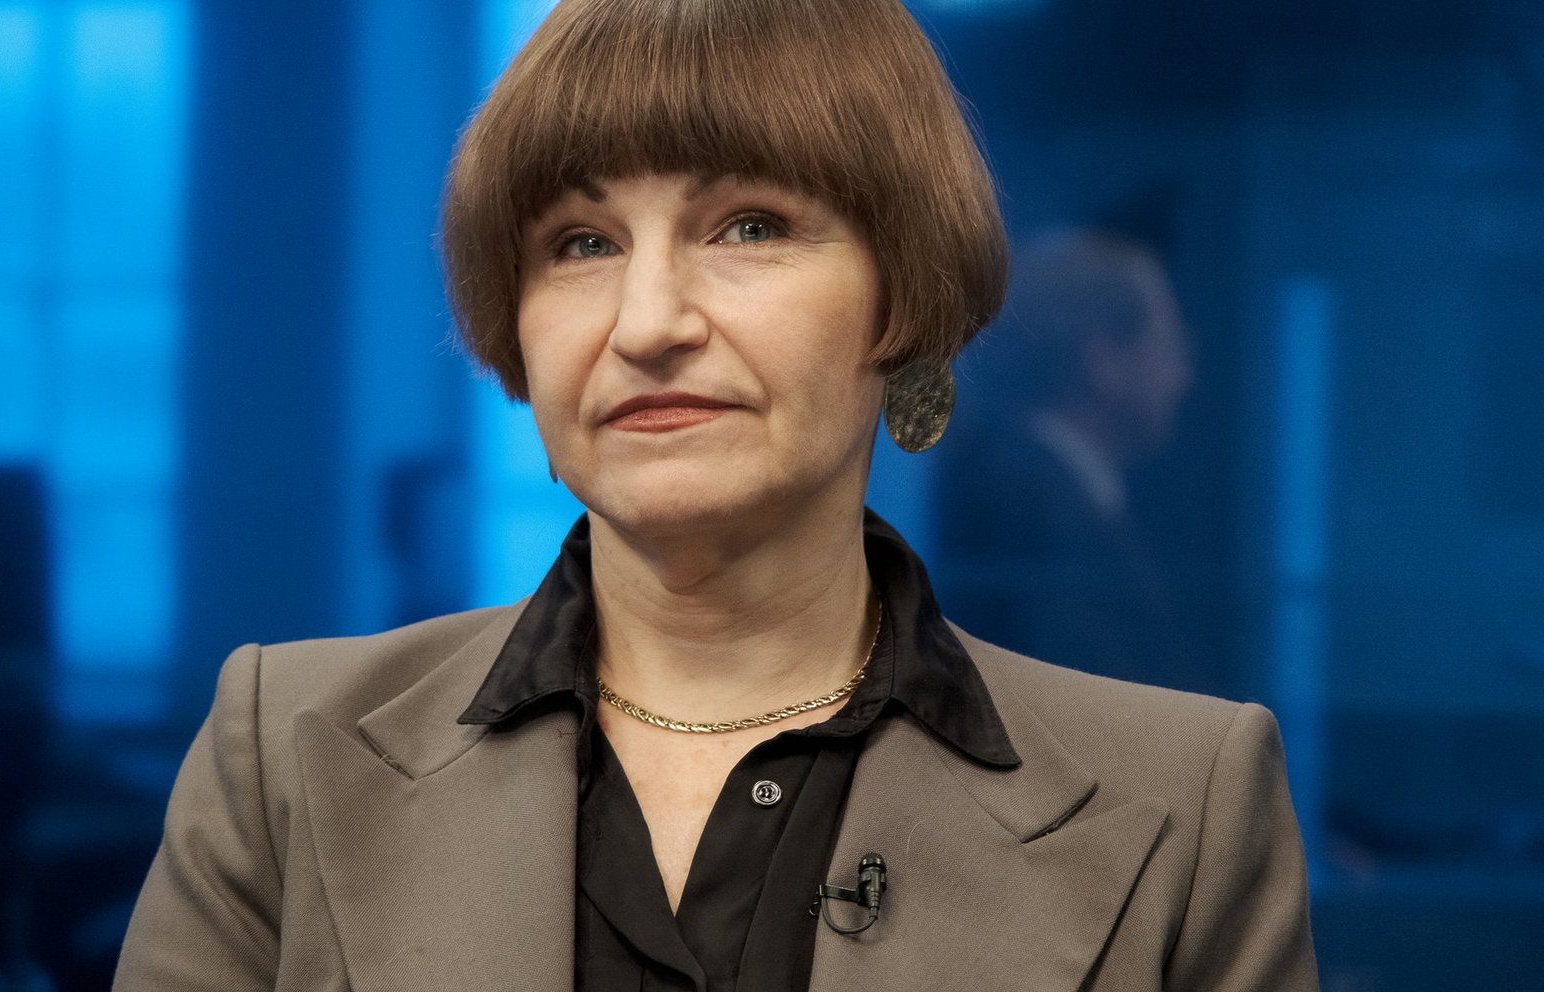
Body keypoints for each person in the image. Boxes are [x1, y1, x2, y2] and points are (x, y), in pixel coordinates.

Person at [115, 1, 1317, 989]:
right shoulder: (285, 755)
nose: (646, 324)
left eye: (748, 226)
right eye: (581, 243)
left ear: (903, 298)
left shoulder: (1187, 801)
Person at [936, 229, 1198, 686]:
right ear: (1103, 361)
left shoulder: (1037, 492)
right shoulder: (1033, 508)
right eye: (1169, 346)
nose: (1182, 377)